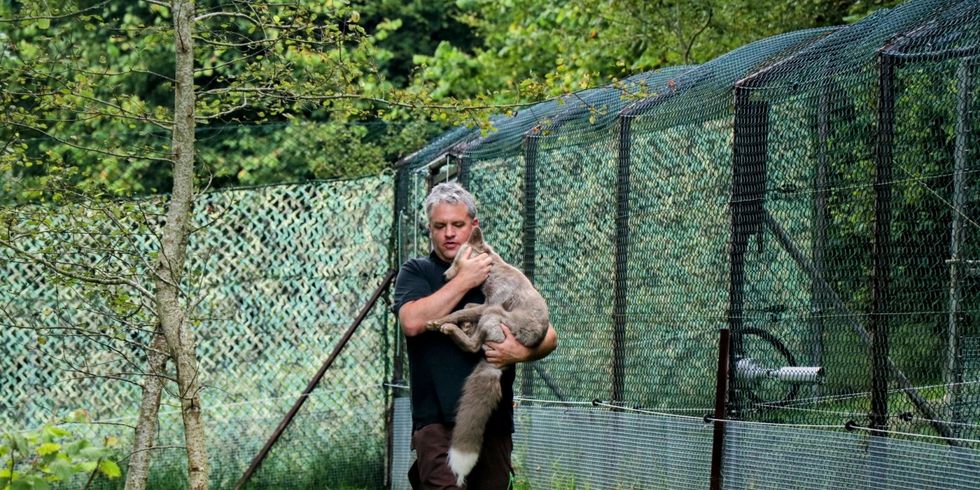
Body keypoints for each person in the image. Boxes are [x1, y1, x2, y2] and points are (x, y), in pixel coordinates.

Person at [394, 182, 558, 489]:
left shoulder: (502, 273)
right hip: (436, 422)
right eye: (440, 226)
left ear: (474, 226)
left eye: (458, 224)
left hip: (492, 422)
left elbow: (549, 335)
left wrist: (521, 353)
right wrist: (464, 279)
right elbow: (412, 322)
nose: (449, 233)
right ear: (430, 229)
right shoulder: (416, 272)